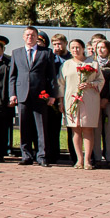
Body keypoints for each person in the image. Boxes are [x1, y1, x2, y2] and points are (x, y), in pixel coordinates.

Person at [8, 25, 58, 166]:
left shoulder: (46, 53)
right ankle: (26, 155)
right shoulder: (16, 53)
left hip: (40, 95)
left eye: (33, 35)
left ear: (37, 37)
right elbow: (13, 76)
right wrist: (12, 94)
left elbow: (51, 76)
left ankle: (42, 156)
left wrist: (52, 95)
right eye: (28, 35)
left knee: (41, 127)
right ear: (24, 37)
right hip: (22, 94)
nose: (30, 37)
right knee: (24, 126)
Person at [57, 39, 104, 169]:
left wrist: (91, 84)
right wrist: (61, 101)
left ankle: (88, 159)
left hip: (89, 99)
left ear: (83, 48)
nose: (75, 50)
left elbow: (101, 81)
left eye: (78, 47)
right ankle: (79, 159)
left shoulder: (93, 64)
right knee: (75, 129)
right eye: (72, 48)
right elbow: (61, 84)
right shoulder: (66, 65)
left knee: (88, 129)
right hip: (71, 100)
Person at [46, 32, 71, 164]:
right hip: (53, 96)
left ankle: (74, 154)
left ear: (65, 44)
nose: (57, 47)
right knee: (52, 127)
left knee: (71, 126)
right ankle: (52, 153)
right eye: (55, 44)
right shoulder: (50, 58)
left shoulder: (71, 58)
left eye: (60, 44)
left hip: (69, 94)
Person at [93, 39, 110, 168]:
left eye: (103, 47)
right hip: (95, 101)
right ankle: (97, 158)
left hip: (109, 101)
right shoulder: (92, 63)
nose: (100, 50)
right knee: (96, 131)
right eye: (98, 47)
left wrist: (107, 99)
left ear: (108, 49)